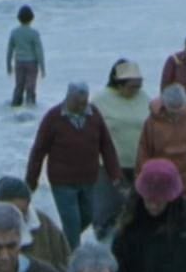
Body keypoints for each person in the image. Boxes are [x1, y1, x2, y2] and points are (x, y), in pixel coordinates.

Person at [26, 81, 124, 250]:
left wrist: (115, 175)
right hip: (62, 182)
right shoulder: (53, 117)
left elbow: (106, 146)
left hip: (89, 179)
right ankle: (71, 258)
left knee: (88, 216)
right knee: (72, 223)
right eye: (77, 103)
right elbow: (39, 150)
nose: (81, 107)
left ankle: (57, 246)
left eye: (84, 103)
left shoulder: (94, 115)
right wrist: (31, 180)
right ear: (68, 98)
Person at [92, 59, 151, 240]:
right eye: (132, 86)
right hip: (107, 167)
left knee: (136, 209)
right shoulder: (100, 101)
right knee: (107, 208)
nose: (136, 90)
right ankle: (104, 243)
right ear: (119, 84)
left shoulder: (144, 98)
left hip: (138, 164)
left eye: (139, 85)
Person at [136, 84, 186, 201]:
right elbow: (143, 151)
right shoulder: (151, 122)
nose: (176, 115)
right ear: (164, 105)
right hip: (161, 179)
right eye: (172, 111)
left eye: (180, 111)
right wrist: (142, 177)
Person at [6, 4, 45, 107]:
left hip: (19, 62)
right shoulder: (34, 33)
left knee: (19, 86)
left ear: (19, 18)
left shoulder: (14, 32)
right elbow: (39, 51)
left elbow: (9, 50)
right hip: (32, 63)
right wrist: (42, 68)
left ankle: (15, 104)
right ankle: (30, 106)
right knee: (30, 87)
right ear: (32, 18)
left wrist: (8, 65)